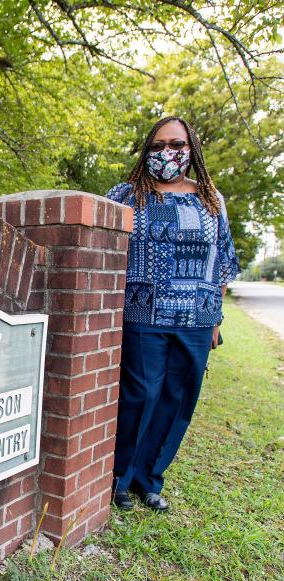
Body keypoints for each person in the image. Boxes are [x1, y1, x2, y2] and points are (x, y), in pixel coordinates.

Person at [106, 116, 240, 513]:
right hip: (144, 313)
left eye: (177, 145)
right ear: (147, 150)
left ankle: (150, 480)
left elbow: (222, 265)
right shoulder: (127, 195)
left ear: (191, 150)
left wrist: (215, 321)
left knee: (177, 400)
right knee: (140, 396)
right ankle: (120, 478)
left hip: (197, 319)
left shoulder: (211, 200)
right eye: (158, 145)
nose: (168, 153)